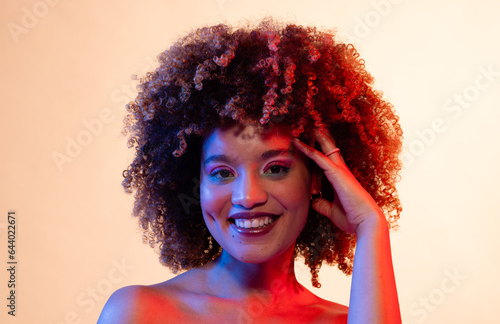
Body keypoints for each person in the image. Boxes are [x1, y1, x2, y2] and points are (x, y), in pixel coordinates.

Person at [98, 18, 403, 323]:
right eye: (221, 173)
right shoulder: (139, 312)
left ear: (316, 179)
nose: (247, 197)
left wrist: (370, 226)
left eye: (275, 168)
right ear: (197, 184)